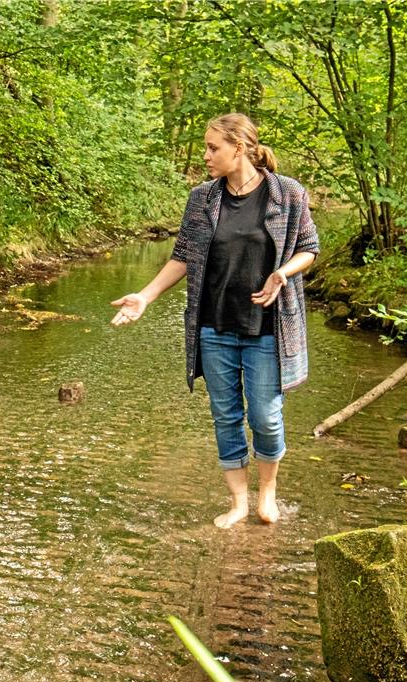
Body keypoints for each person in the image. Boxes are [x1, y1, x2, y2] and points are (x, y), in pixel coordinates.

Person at [111, 113, 318, 527]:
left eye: (213, 148)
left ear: (239, 148)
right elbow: (183, 257)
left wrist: (283, 272)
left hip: (266, 328)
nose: (205, 156)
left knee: (265, 416)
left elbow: (309, 248)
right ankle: (239, 502)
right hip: (214, 327)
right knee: (226, 416)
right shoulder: (202, 198)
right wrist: (145, 297)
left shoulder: (287, 193)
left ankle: (268, 494)